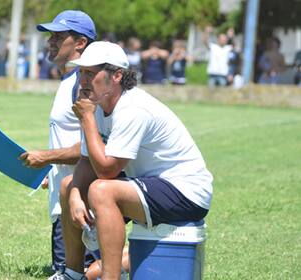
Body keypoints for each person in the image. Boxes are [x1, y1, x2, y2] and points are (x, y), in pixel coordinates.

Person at [59, 41, 213, 280]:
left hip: (187, 190)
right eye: (81, 73)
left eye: (91, 73)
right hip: (147, 182)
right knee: (68, 185)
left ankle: (111, 277)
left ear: (117, 75)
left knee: (102, 190)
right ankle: (72, 274)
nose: (83, 80)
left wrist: (87, 119)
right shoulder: (96, 106)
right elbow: (87, 162)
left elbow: (107, 171)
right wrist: (76, 195)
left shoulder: (133, 107)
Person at [18, 10, 98, 280]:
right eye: (51, 36)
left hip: (80, 197)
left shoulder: (83, 83)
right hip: (65, 193)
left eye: (59, 36)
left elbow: (95, 145)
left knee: (80, 273)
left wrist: (47, 157)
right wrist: (50, 170)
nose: (51, 41)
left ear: (80, 43)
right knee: (67, 272)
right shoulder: (68, 80)